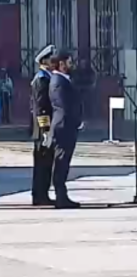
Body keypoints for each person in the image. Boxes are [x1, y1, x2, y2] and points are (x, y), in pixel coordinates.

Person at [49, 51, 83, 209]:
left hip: (68, 126)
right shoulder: (57, 81)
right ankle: (60, 197)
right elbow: (64, 107)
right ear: (61, 64)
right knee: (61, 162)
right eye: (69, 62)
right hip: (64, 126)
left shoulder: (64, 80)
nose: (72, 65)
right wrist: (76, 121)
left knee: (64, 162)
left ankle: (63, 195)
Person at [30, 45, 56, 206]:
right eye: (52, 58)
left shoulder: (47, 77)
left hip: (44, 128)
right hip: (41, 129)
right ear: (45, 61)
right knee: (42, 163)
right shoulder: (41, 79)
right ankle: (39, 195)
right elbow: (41, 107)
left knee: (46, 163)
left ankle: (42, 194)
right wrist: (46, 129)